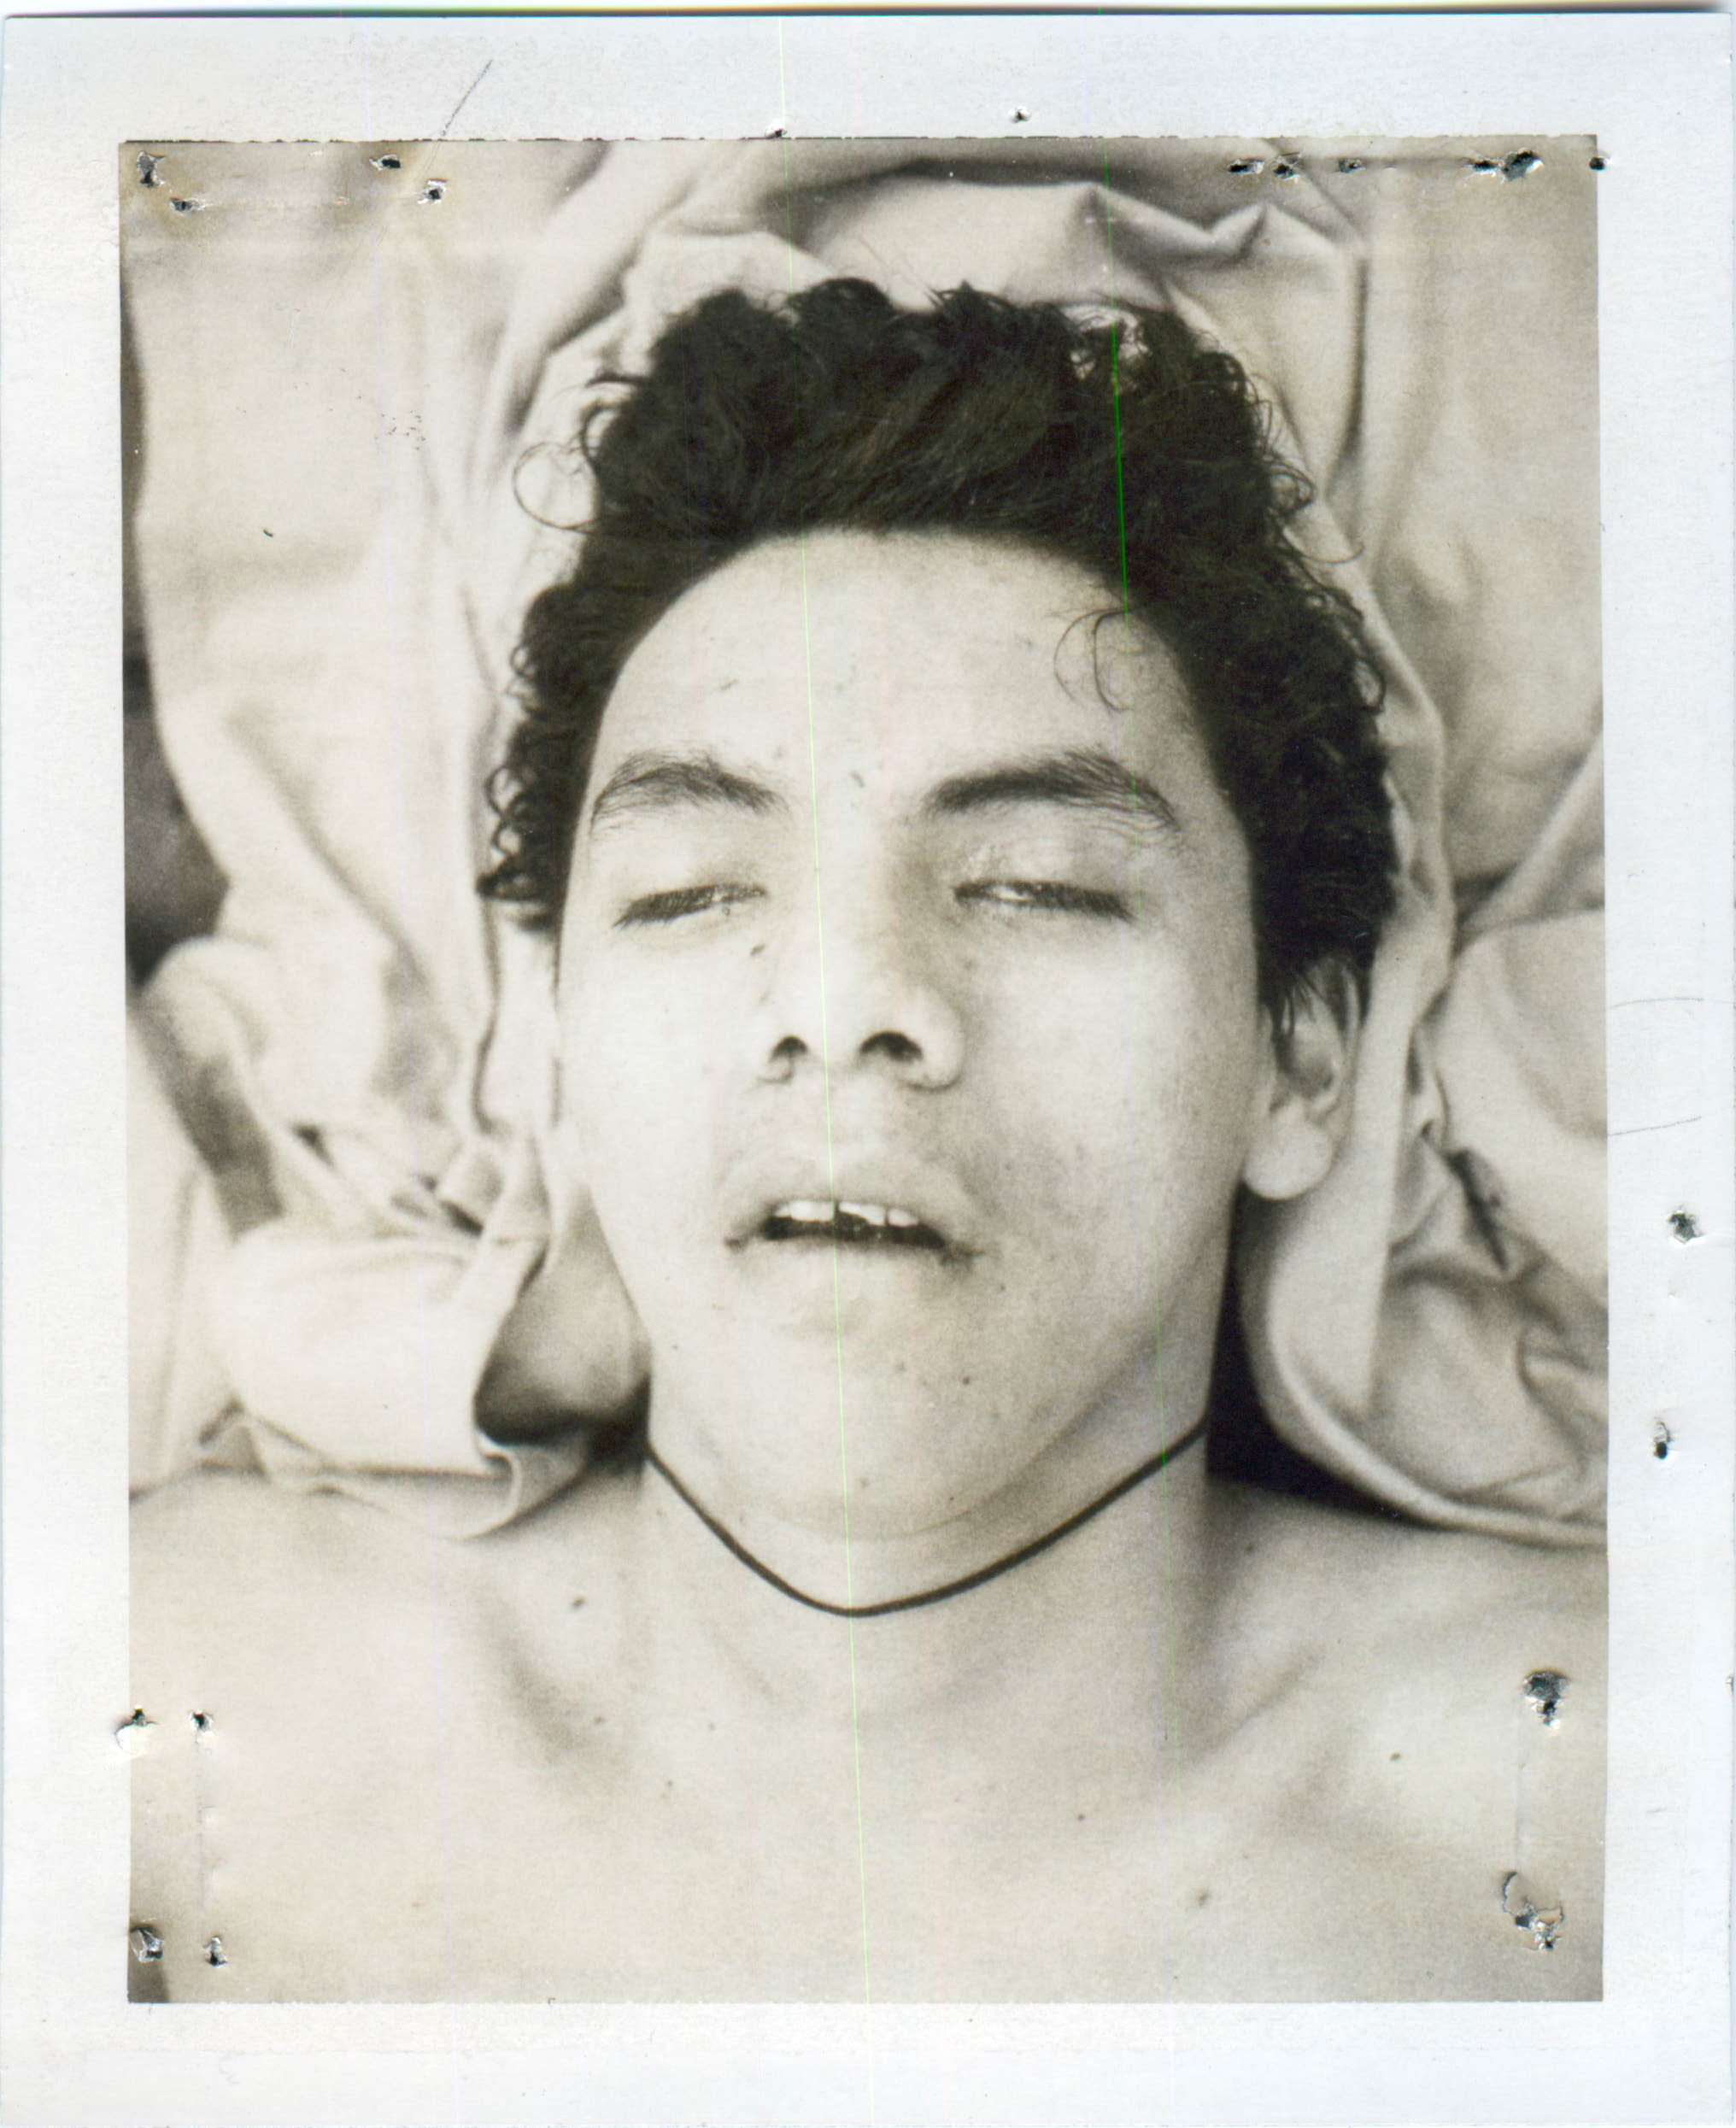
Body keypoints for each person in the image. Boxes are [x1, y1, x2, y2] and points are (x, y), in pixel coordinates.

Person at [131, 281, 1604, 2003]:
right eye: (691, 891)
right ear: (557, 1043)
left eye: (1037, 882)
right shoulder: (166, 1713)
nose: (838, 999)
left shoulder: (1603, 1816)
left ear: (1298, 1059)